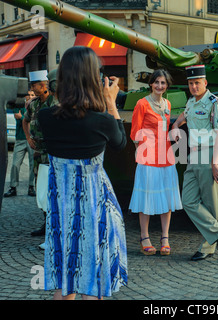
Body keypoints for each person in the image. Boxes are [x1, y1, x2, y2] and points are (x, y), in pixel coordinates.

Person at [38, 46, 128, 300]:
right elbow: (120, 143)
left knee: (64, 278)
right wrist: (110, 101)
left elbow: (63, 115)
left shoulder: (45, 117)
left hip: (60, 206)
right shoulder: (103, 121)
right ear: (94, 79)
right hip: (94, 205)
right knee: (93, 274)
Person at [171, 65, 218, 262]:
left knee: (211, 203)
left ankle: (209, 246)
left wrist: (215, 163)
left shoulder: (215, 104)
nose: (194, 86)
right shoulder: (191, 103)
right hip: (194, 157)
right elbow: (184, 117)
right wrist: (174, 125)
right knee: (188, 200)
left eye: (197, 83)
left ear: (205, 83)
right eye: (191, 83)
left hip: (210, 157)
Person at [129, 69, 182, 256]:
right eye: (157, 82)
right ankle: (144, 237)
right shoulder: (142, 104)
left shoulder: (167, 103)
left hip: (166, 155)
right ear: (151, 84)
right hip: (148, 156)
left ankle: (165, 237)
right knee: (147, 198)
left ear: (167, 86)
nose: (160, 86)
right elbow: (135, 133)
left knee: (166, 197)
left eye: (163, 83)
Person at [23, 70, 58, 237]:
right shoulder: (33, 104)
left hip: (53, 152)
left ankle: (54, 223)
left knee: (54, 187)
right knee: (42, 188)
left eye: (34, 85)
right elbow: (25, 120)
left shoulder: (55, 102)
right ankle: (46, 223)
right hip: (39, 152)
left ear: (44, 86)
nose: (32, 88)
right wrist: (28, 137)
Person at [3, 90, 36, 198]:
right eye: (28, 95)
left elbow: (32, 122)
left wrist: (24, 119)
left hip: (32, 139)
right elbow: (18, 117)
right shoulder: (19, 105)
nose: (30, 96)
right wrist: (27, 120)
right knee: (15, 164)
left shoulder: (36, 106)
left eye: (32, 95)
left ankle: (31, 187)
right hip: (20, 139)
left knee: (32, 164)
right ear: (25, 96)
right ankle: (13, 187)